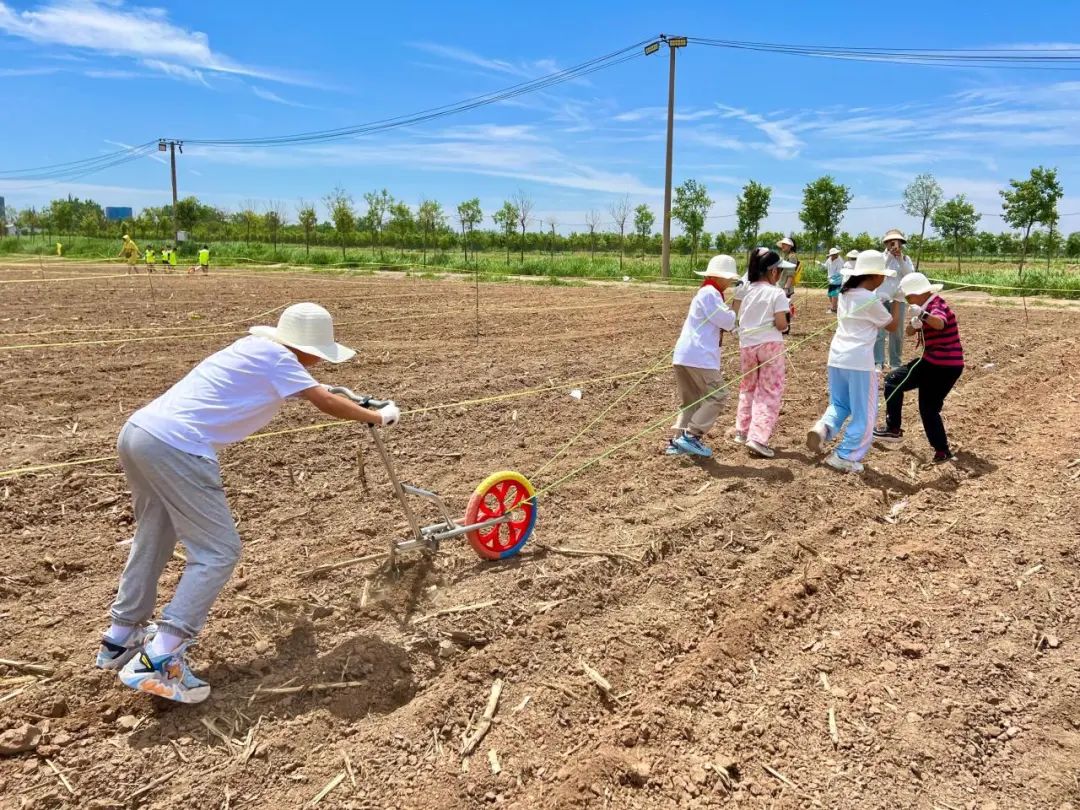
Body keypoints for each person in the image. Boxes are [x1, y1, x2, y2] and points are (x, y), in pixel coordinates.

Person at [95, 303, 400, 704]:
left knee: (154, 535)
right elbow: (323, 401)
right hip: (178, 447)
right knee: (219, 552)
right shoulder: (279, 357)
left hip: (140, 434)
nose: (319, 362)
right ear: (306, 348)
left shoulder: (253, 349)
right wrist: (380, 417)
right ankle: (161, 656)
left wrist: (355, 401)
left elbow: (305, 392)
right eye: (319, 353)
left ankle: (121, 636)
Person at [806, 250, 899, 473]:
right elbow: (892, 326)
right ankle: (845, 455)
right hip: (859, 361)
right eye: (882, 276)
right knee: (864, 414)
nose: (884, 279)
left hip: (837, 356)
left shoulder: (845, 293)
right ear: (875, 276)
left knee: (840, 403)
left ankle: (824, 428)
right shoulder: (869, 299)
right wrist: (897, 299)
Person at [873, 273, 964, 463]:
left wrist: (922, 315)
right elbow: (907, 333)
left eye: (907, 296)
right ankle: (940, 450)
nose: (906, 299)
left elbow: (939, 323)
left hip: (940, 365)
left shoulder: (936, 305)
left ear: (917, 293)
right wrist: (914, 325)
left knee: (912, 395)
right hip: (940, 364)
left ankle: (895, 430)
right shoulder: (924, 306)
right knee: (922, 403)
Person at [668, 254, 739, 458]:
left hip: (685, 355)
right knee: (718, 395)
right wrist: (738, 303)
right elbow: (726, 320)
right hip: (699, 356)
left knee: (692, 401)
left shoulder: (706, 292)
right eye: (729, 279)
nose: (730, 283)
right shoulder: (710, 293)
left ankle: (677, 443)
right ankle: (692, 436)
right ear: (720, 277)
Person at [734, 249, 793, 458]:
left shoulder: (746, 290)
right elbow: (781, 324)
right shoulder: (777, 293)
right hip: (770, 346)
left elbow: (736, 314)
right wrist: (786, 322)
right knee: (769, 390)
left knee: (747, 387)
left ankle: (742, 430)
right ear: (773, 271)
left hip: (747, 345)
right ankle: (758, 438)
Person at [874, 229, 914, 370]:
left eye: (897, 242)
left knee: (896, 333)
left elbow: (909, 275)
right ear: (886, 243)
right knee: (879, 331)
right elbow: (878, 270)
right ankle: (878, 361)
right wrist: (890, 256)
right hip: (881, 298)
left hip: (899, 299)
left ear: (901, 243)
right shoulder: (881, 257)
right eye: (890, 242)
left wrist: (900, 258)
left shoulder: (906, 259)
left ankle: (895, 363)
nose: (894, 245)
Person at [823, 247, 844, 314]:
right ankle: (834, 306)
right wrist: (820, 264)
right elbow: (826, 266)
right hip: (830, 280)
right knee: (830, 294)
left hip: (837, 280)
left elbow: (839, 272)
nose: (836, 255)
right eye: (834, 254)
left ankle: (834, 309)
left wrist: (833, 279)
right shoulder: (829, 259)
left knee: (834, 294)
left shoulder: (840, 261)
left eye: (836, 253)